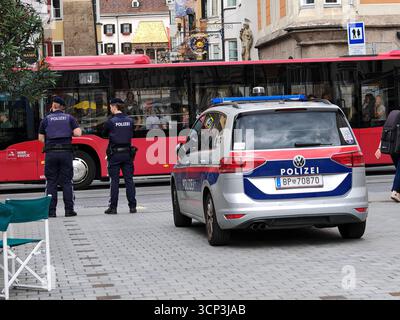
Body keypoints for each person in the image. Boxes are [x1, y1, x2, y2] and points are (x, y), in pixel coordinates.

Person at [38, 96, 82, 217]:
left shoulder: (46, 120)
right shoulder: (69, 118)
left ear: (53, 106)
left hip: (51, 154)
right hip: (66, 153)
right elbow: (78, 133)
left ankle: (51, 211)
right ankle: (69, 210)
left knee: (51, 182)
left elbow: (41, 139)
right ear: (62, 107)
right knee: (67, 181)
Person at [103, 98, 137, 215]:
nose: (110, 108)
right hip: (127, 154)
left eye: (111, 107)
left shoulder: (110, 122)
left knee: (114, 181)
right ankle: (132, 207)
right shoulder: (130, 120)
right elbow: (132, 132)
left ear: (114, 106)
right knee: (129, 180)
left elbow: (104, 134)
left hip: (115, 154)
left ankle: (113, 208)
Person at [375, 110, 400, 202]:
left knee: (399, 171)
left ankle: (398, 192)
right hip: (398, 149)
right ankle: (395, 191)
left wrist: (379, 148)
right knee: (399, 172)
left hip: (392, 149)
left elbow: (385, 134)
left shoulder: (393, 118)